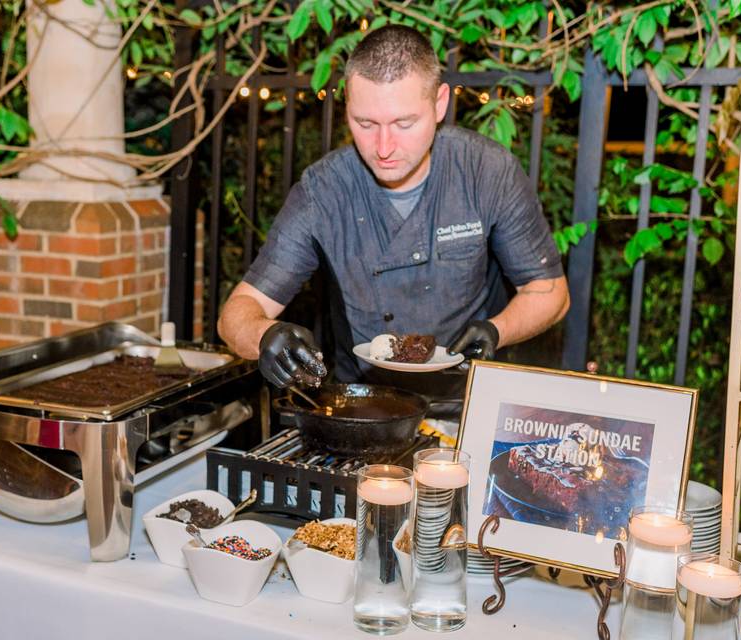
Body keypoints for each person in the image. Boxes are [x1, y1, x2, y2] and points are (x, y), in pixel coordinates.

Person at [217, 24, 569, 389]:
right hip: (365, 403)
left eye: (404, 123)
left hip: (466, 398)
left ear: (440, 103)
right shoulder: (323, 191)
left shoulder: (487, 171)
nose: (383, 147)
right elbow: (235, 315)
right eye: (365, 123)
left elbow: (551, 293)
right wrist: (264, 335)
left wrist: (497, 330)